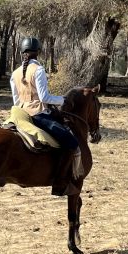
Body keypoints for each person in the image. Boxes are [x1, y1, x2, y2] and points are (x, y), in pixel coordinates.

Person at [10, 37, 80, 196]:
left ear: (23, 53)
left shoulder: (14, 73)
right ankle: (60, 183)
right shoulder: (39, 70)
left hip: (21, 114)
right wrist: (62, 99)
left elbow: (16, 100)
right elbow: (44, 98)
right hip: (38, 114)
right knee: (71, 141)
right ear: (38, 53)